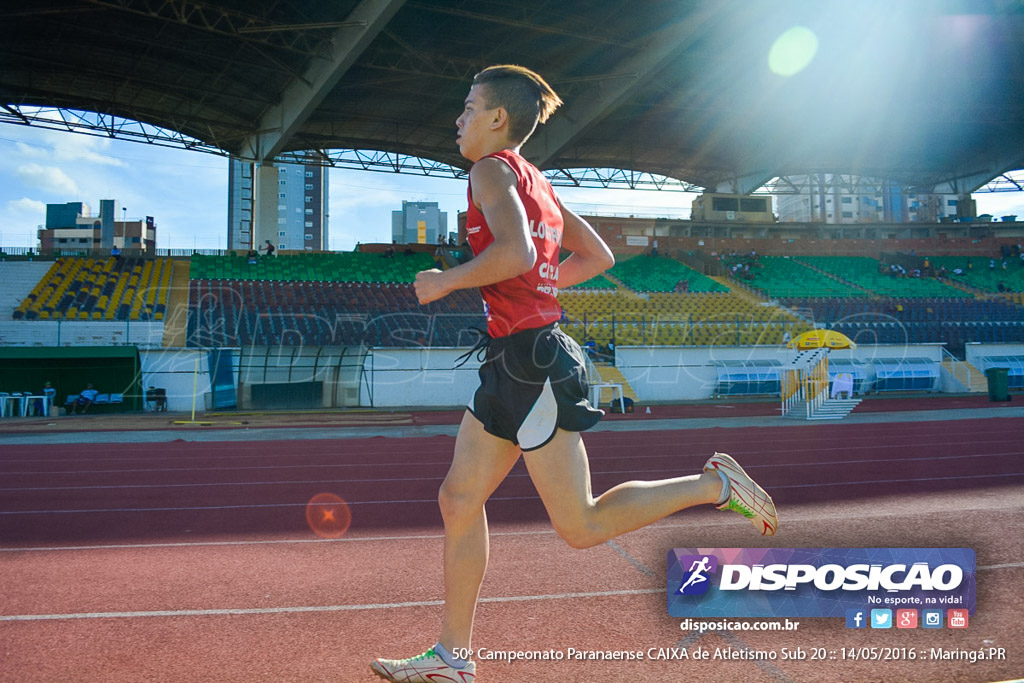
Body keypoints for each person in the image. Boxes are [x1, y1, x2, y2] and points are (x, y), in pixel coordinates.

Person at [370, 64, 778, 683]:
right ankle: (452, 657)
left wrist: (445, 281)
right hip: (512, 360)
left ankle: (712, 485)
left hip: (530, 364)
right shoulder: (536, 180)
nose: (458, 119)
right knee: (458, 498)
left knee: (581, 525)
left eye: (469, 107)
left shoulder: (488, 170)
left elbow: (518, 253)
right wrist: (533, 287)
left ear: (498, 119)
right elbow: (598, 257)